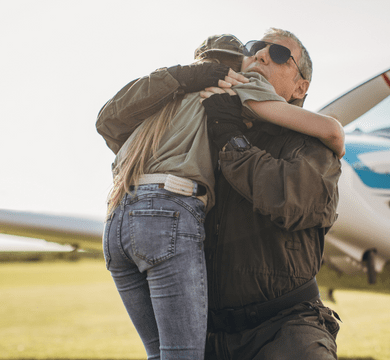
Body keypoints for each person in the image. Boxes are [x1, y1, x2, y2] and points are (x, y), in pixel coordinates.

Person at [99, 33, 342, 360]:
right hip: (213, 335)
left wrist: (231, 141)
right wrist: (182, 80)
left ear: (301, 87)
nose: (261, 56)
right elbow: (109, 122)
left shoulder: (309, 145)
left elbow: (293, 199)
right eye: (253, 49)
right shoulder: (208, 116)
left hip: (285, 329)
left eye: (281, 53)